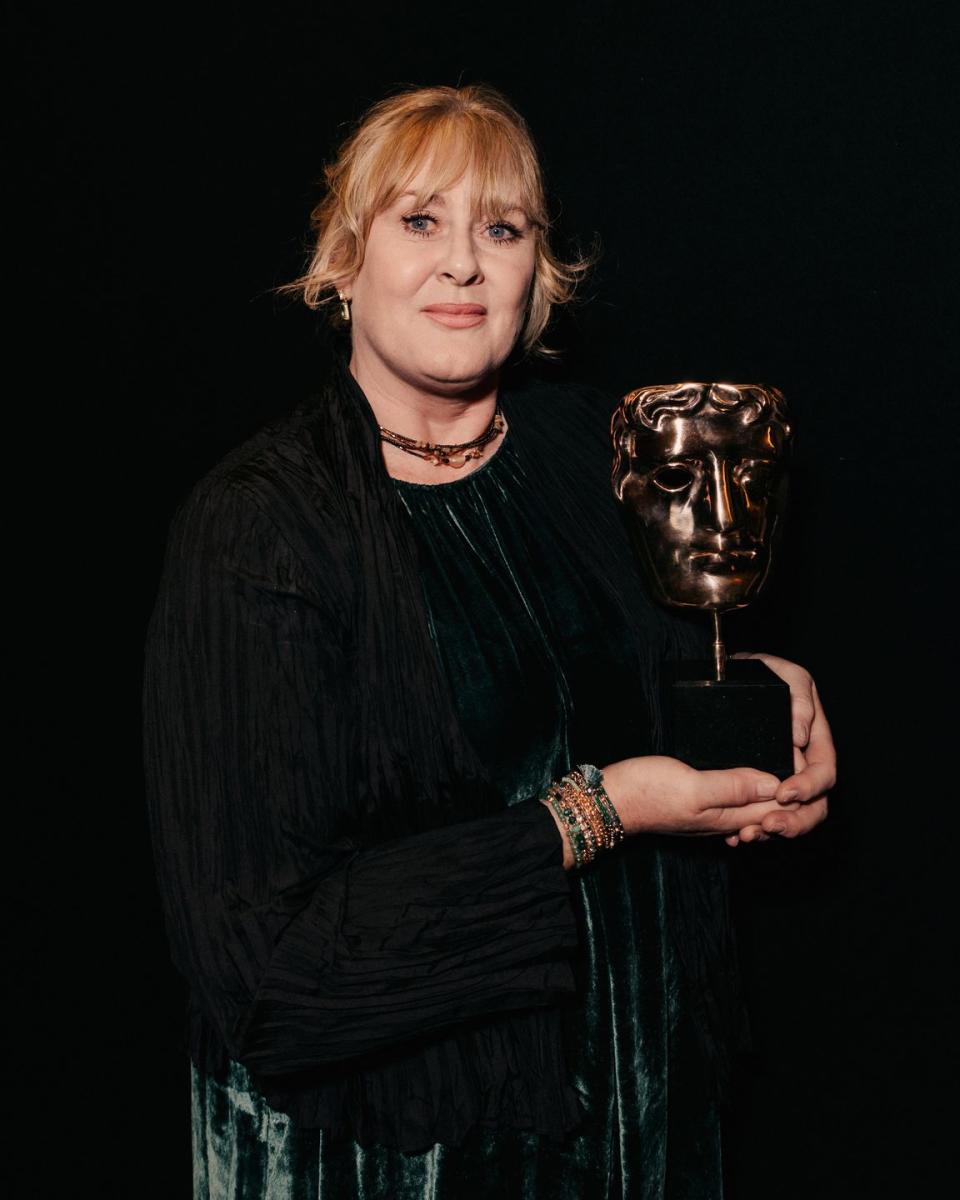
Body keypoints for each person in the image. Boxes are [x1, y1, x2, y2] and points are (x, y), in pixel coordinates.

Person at [143, 83, 834, 1199]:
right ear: (341, 262)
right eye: (420, 220)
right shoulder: (262, 527)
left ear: (536, 271)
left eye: (500, 228)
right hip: (407, 1149)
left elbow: (607, 691)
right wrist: (597, 812)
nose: (462, 264)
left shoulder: (584, 450)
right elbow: (266, 971)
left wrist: (767, 698)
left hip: (641, 1113)